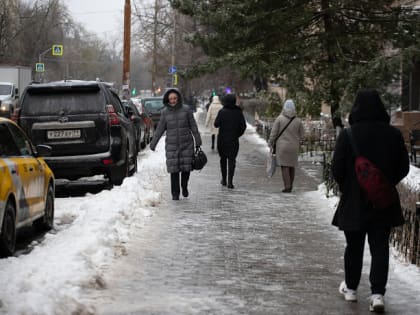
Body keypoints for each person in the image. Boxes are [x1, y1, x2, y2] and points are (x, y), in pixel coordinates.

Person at [331, 89, 409, 313]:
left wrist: (351, 187)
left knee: (353, 247)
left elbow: (337, 168)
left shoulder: (348, 135)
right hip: (382, 201)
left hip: (355, 202)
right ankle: (377, 294)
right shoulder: (393, 135)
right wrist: (384, 183)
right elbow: (403, 167)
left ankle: (352, 289)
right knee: (380, 247)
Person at [150, 88, 202, 200]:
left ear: (178, 98)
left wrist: (198, 141)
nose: (173, 101)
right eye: (171, 99)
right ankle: (175, 193)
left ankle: (184, 186)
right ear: (167, 100)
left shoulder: (186, 110)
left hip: (186, 144)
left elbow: (193, 126)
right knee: (174, 170)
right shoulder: (164, 112)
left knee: (186, 168)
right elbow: (159, 129)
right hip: (172, 146)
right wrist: (153, 143)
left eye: (174, 98)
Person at [268, 99, 304, 193]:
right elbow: (302, 135)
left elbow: (274, 133)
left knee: (285, 166)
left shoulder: (279, 119)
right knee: (292, 166)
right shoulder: (298, 121)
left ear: (284, 107)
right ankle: (290, 185)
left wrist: (270, 142)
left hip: (282, 147)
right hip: (294, 147)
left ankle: (287, 186)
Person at [214, 93, 246, 189]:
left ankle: (223, 179)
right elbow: (243, 127)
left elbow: (216, 124)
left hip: (222, 140)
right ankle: (230, 182)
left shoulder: (222, 112)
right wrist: (237, 135)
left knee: (223, 159)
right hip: (233, 140)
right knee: (232, 160)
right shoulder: (238, 112)